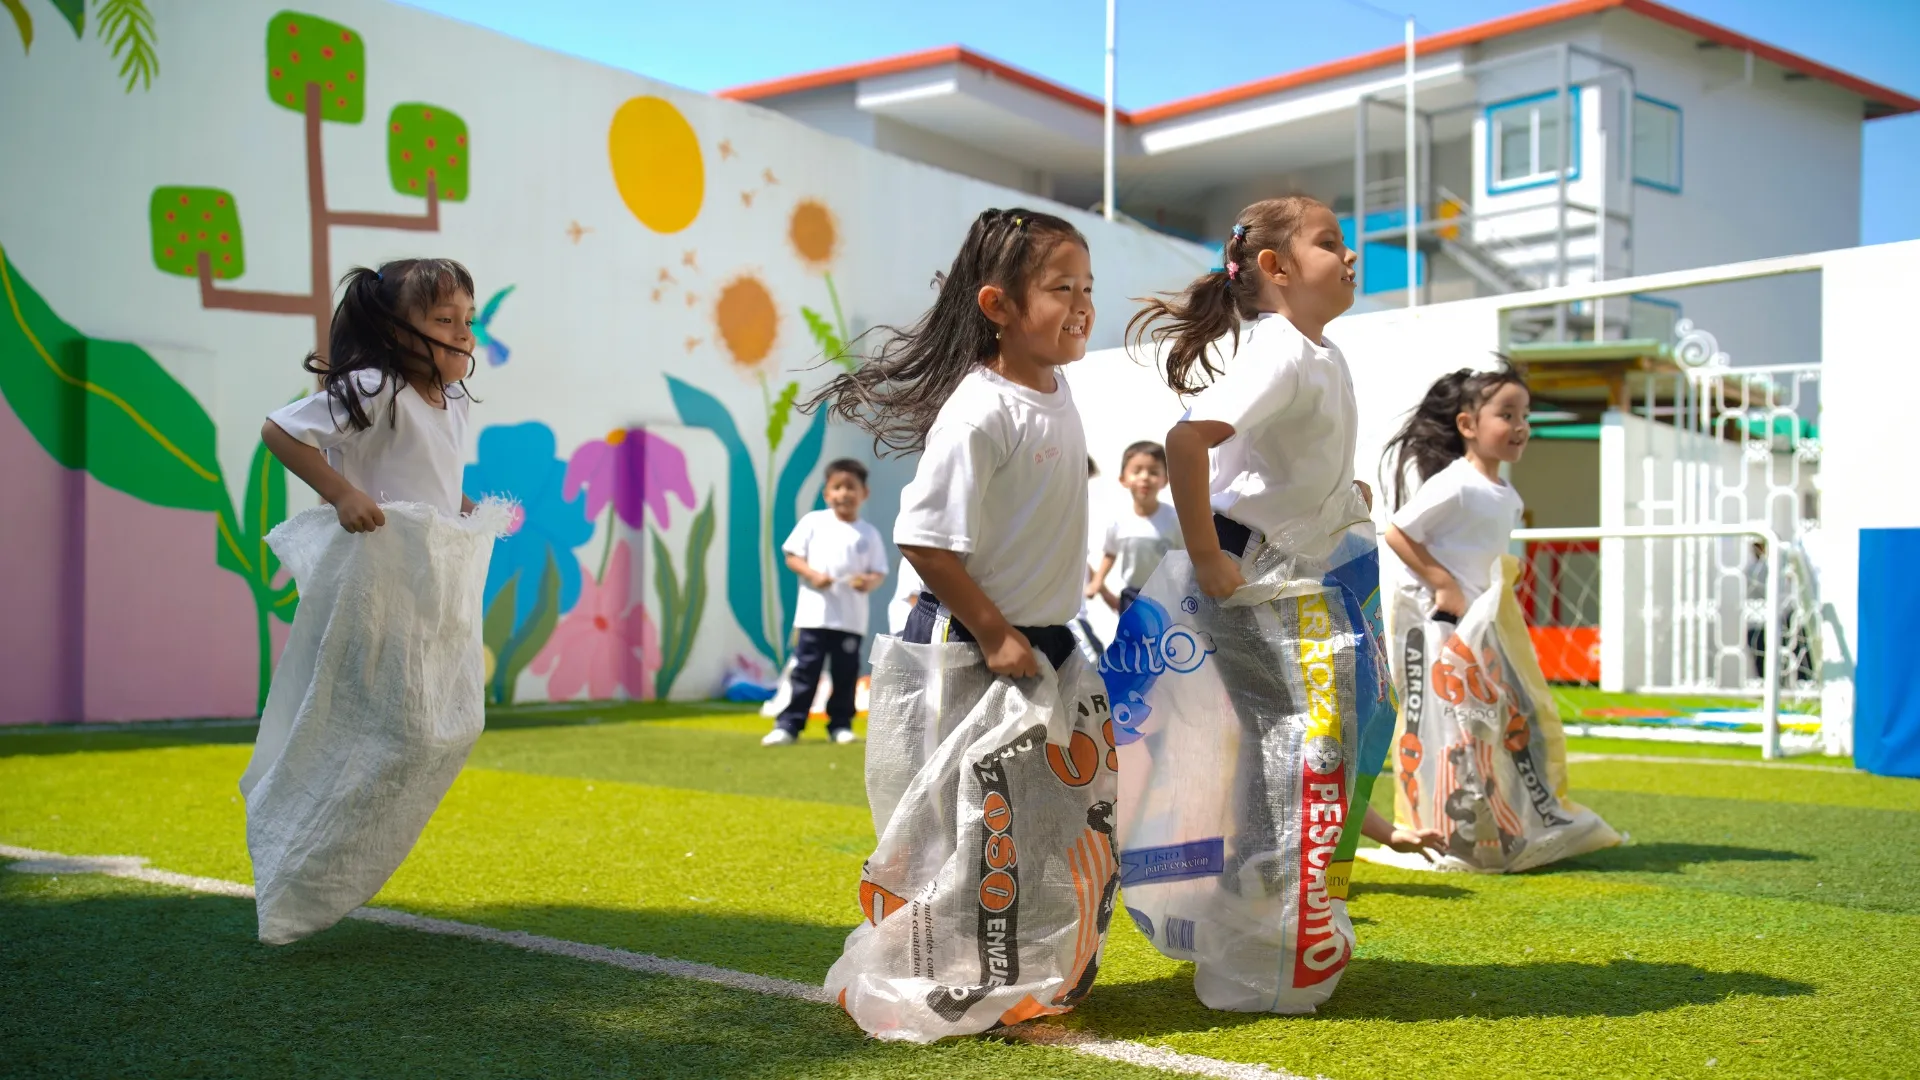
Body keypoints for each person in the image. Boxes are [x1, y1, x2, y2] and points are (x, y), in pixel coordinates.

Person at [807, 207, 1114, 1040]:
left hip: (1040, 644)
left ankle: (1011, 977)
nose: (1083, 305)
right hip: (968, 646)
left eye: (1087, 287)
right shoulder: (981, 410)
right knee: (959, 829)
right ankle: (938, 980)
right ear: (998, 305)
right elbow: (924, 540)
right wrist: (995, 633)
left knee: (1034, 825)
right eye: (1061, 288)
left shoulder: (1057, 388)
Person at [1135, 195, 1439, 862]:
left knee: (1312, 723)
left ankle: (1275, 883)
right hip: (1247, 567)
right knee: (1291, 728)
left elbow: (1284, 458)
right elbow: (1186, 442)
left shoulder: (1320, 351)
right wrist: (1207, 556)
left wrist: (1340, 492)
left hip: (1287, 566)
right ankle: (1261, 885)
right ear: (1276, 267)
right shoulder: (1280, 351)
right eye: (1329, 242)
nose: (1350, 253)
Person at [243, 258, 487, 944]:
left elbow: (430, 472)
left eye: (468, 320)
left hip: (426, 577)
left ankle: (321, 855)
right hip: (375, 575)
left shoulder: (454, 399)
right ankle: (296, 852)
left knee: (448, 724)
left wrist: (460, 505)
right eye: (443, 320)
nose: (462, 333)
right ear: (394, 329)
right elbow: (281, 430)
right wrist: (344, 493)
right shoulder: (377, 385)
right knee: (389, 723)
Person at [1380, 365, 1531, 618]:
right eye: (1507, 415)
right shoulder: (1457, 483)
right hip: (1434, 617)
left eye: (1525, 416)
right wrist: (1443, 584)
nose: (1520, 426)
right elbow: (1397, 533)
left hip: (1474, 620)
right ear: (1467, 425)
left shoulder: (1512, 498)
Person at [763, 458, 888, 746]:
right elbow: (792, 556)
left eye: (851, 487)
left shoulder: (869, 533)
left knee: (845, 674)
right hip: (814, 616)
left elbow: (879, 572)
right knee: (805, 671)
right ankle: (789, 725)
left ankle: (840, 725)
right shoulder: (813, 522)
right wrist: (813, 575)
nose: (844, 493)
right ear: (826, 493)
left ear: (864, 493)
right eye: (837, 487)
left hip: (850, 619)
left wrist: (867, 582)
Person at [1087, 440, 1183, 614]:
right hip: (1132, 596)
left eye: (1153, 472)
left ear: (1165, 480)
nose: (1145, 477)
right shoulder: (1118, 521)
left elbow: (1187, 558)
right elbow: (1110, 553)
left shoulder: (1174, 519)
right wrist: (1097, 582)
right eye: (1137, 471)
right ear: (1123, 479)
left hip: (1168, 596)